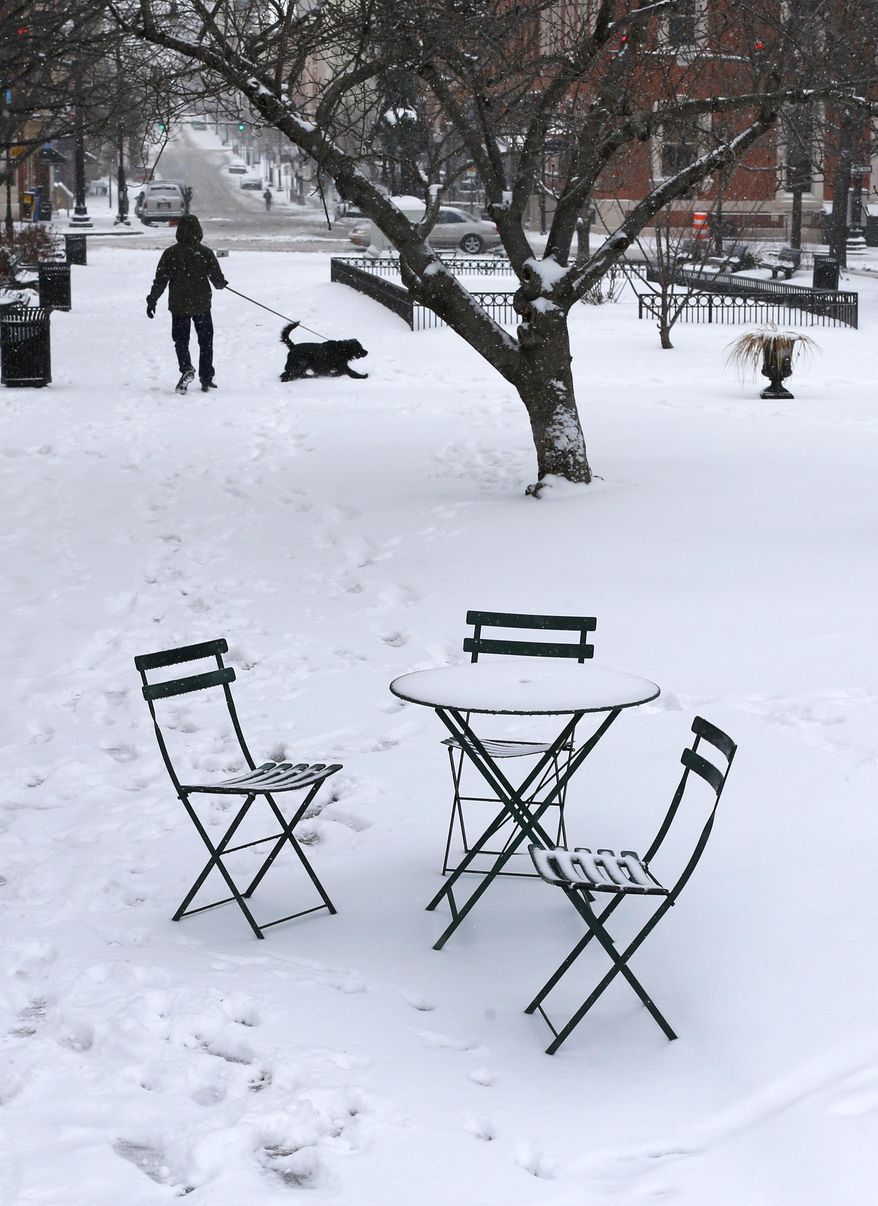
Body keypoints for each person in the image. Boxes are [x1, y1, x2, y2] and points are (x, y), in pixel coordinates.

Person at [146, 214, 227, 393]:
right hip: (202, 305)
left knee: (181, 340)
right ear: (198, 231)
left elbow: (160, 280)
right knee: (205, 341)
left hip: (179, 305)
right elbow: (217, 281)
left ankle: (186, 368)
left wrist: (152, 300)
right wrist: (221, 282)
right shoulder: (205, 253)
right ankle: (206, 377)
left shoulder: (170, 253)